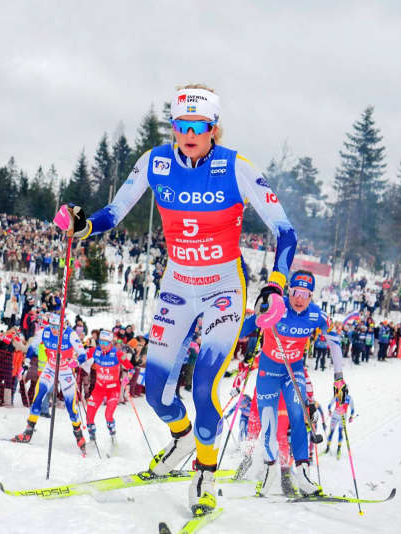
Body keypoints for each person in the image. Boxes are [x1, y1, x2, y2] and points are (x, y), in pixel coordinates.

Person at [58, 84, 297, 514]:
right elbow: (113, 213)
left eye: (198, 126)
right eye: (181, 126)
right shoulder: (155, 162)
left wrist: (276, 284)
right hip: (177, 286)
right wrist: (82, 227)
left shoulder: (234, 167)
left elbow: (285, 230)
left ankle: (204, 474)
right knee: (155, 393)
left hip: (223, 287)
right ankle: (183, 439)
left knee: (204, 387)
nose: (189, 134)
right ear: (173, 128)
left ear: (213, 130)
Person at [240, 270, 346, 497]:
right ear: (289, 291)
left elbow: (335, 344)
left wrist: (339, 378)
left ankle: (303, 472)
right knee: (267, 419)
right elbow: (244, 328)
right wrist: (259, 312)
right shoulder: (277, 307)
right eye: (296, 292)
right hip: (268, 370)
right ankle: (268, 468)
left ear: (311, 296)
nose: (300, 298)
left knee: (298, 415)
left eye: (305, 294)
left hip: (293, 370)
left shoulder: (316, 315)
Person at [12, 312, 89, 456]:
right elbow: (32, 347)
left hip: (65, 370)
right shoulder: (44, 332)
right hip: (50, 367)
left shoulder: (70, 334)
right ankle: (28, 432)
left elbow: (83, 354)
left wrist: (76, 362)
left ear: (63, 325)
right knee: (38, 395)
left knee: (70, 406)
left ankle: (79, 436)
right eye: (52, 326)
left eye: (57, 327)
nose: (54, 330)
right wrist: (27, 364)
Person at [84, 329, 134, 444]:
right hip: (99, 388)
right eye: (101, 342)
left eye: (106, 343)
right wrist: (74, 361)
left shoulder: (118, 353)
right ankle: (92, 439)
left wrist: (127, 378)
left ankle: (113, 437)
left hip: (113, 389)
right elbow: (81, 355)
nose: (103, 345)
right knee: (89, 415)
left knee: (108, 415)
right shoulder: (95, 351)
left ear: (111, 343)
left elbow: (131, 368)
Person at [326, 391, 355, 460]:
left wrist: (351, 416)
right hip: (335, 417)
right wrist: (329, 410)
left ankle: (338, 449)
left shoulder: (349, 398)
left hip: (342, 418)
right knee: (331, 432)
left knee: (340, 432)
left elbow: (352, 409)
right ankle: (327, 447)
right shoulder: (336, 395)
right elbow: (329, 405)